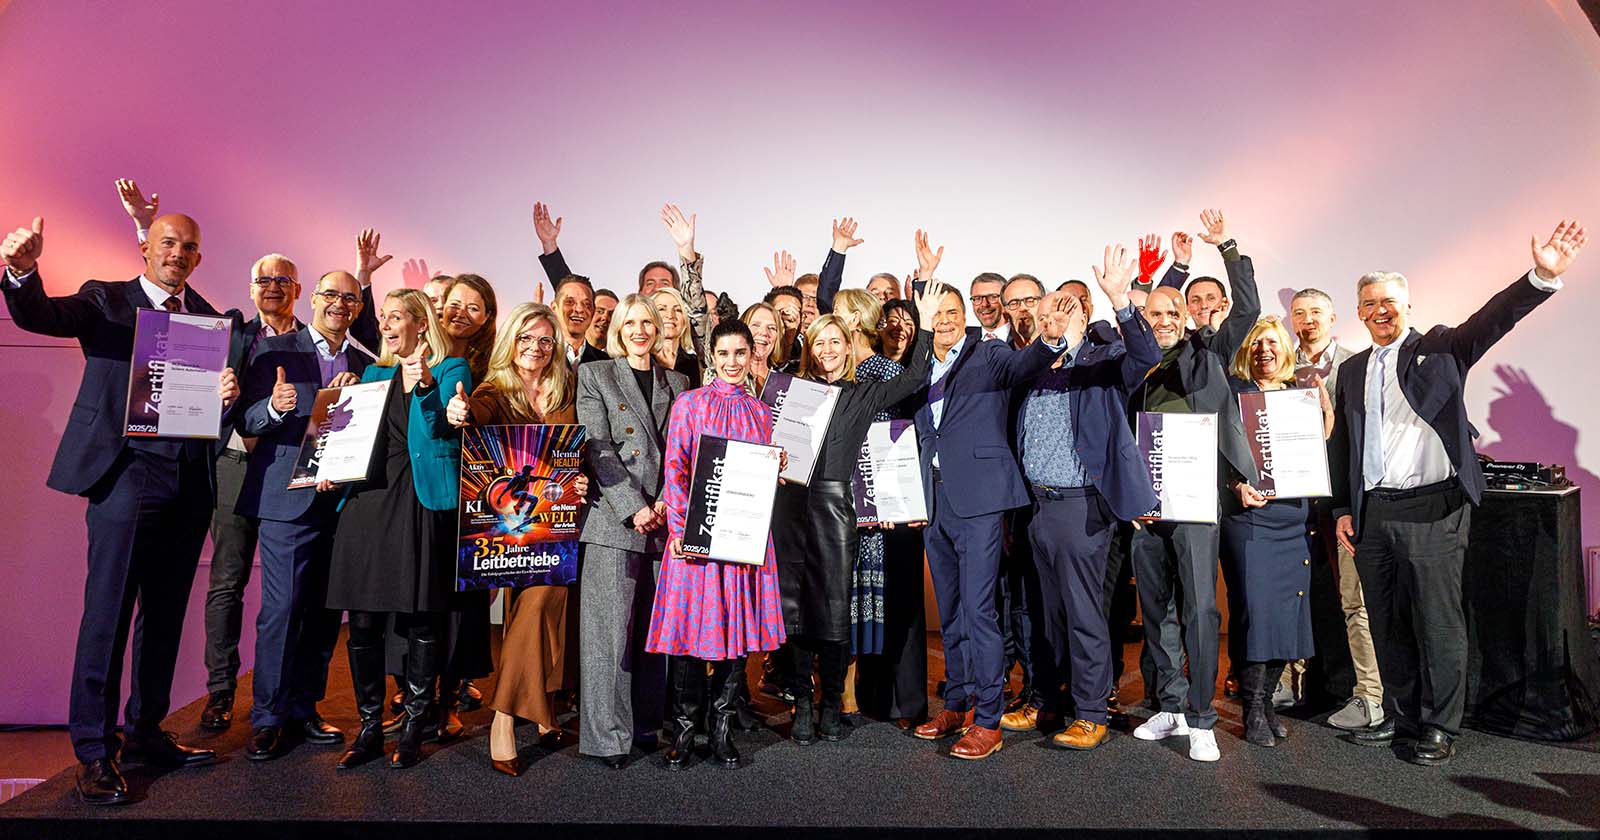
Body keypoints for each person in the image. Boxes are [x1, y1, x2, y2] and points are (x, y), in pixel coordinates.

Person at [1, 212, 239, 805]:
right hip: (126, 473)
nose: (178, 253)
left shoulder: (210, 320)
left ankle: (145, 733)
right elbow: (41, 315)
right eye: (168, 243)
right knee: (107, 615)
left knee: (163, 617)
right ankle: (92, 750)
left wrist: (226, 397)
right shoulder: (105, 300)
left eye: (189, 246)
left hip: (187, 479)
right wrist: (20, 271)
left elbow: (212, 413)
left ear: (198, 258)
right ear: (145, 246)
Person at [1330, 220, 1588, 766]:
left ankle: (1440, 727)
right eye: (1370, 302)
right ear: (1358, 311)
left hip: (1434, 509)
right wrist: (1342, 509)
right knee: (1386, 621)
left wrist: (1540, 277)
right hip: (1373, 514)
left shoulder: (1443, 347)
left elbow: (1492, 321)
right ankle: (1402, 717)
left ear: (1407, 305)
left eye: (1390, 301)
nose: (1380, 310)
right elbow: (1344, 446)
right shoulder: (1351, 370)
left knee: (1438, 621)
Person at [907, 230, 1073, 761]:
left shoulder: (990, 353)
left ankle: (987, 718)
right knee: (951, 610)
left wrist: (1050, 340)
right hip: (933, 500)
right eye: (939, 309)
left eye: (955, 309)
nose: (948, 317)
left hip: (980, 501)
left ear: (967, 316)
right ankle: (955, 702)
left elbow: (1027, 367)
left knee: (979, 611)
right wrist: (921, 282)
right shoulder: (917, 364)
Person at [1007, 244, 1160, 750]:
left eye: (1063, 309)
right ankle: (1049, 701)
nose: (1051, 318)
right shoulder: (1031, 369)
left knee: (1084, 614)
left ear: (1082, 315)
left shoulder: (1106, 360)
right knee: (1046, 616)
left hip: (1081, 508)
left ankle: (1091, 711)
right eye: (1045, 311)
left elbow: (1148, 355)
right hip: (1038, 508)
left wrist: (1121, 299)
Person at [773, 285, 934, 744]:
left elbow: (914, 378)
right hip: (791, 509)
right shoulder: (793, 392)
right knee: (797, 611)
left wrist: (919, 324)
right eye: (818, 342)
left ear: (849, 347)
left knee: (834, 610)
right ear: (810, 349)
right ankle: (803, 704)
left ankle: (830, 705)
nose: (826, 350)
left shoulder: (862, 394)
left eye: (835, 341)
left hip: (836, 509)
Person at [1131, 209, 1260, 762]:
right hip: (1145, 506)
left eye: (1171, 311)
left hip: (1197, 503)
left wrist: (1225, 247)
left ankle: (1203, 718)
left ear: (1185, 315)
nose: (1162, 320)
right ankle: (1172, 706)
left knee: (1202, 610)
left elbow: (1248, 306)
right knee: (1156, 610)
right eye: (1153, 312)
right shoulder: (1130, 361)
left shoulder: (1208, 352)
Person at [444, 302, 591, 776]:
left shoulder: (566, 389)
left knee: (545, 607)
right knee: (535, 605)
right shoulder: (494, 389)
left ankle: (539, 710)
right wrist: (459, 411)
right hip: (507, 530)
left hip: (558, 522)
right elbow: (472, 417)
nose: (536, 348)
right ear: (512, 341)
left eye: (545, 340)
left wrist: (582, 478)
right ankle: (504, 717)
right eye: (526, 338)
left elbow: (577, 451)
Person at [326, 288, 469, 770]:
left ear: (421, 323)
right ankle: (368, 726)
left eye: (395, 317)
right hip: (367, 504)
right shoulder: (371, 374)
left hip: (419, 501)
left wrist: (427, 385)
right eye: (383, 317)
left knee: (422, 616)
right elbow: (348, 438)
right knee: (363, 620)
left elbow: (443, 428)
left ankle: (414, 724)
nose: (384, 324)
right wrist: (327, 463)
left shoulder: (451, 370)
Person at [234, 270, 373, 760]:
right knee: (282, 608)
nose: (340, 304)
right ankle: (268, 716)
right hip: (285, 501)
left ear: (358, 308)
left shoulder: (364, 361)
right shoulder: (274, 352)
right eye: (331, 294)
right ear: (311, 298)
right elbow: (243, 419)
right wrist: (272, 408)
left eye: (350, 298)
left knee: (323, 612)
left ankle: (304, 707)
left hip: (340, 501)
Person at [647, 318, 789, 769]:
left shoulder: (762, 413)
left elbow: (760, 481)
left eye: (740, 354)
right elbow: (675, 470)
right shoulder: (689, 404)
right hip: (697, 541)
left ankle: (722, 730)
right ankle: (686, 732)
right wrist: (682, 534)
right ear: (711, 356)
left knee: (734, 635)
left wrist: (775, 465)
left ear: (752, 357)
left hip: (743, 543)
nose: (732, 362)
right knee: (691, 637)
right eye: (723, 353)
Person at [572, 294, 690, 769]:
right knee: (608, 637)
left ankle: (644, 726)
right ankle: (606, 739)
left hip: (662, 522)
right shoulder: (595, 375)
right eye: (631, 322)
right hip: (614, 519)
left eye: (648, 322)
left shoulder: (678, 380)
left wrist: (665, 501)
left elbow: (682, 449)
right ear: (618, 328)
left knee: (651, 634)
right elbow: (598, 448)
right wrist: (634, 507)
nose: (640, 330)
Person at [199, 252, 306, 732]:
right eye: (264, 279)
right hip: (236, 466)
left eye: (283, 280)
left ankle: (287, 695)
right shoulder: (232, 334)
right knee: (227, 580)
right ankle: (221, 691)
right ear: (249, 287)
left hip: (288, 473)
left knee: (287, 596)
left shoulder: (313, 342)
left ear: (298, 290)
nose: (273, 287)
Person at [1219, 316, 1332, 748]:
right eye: (1257, 343)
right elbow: (1218, 453)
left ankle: (1265, 703)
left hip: (1292, 519)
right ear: (1246, 352)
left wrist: (1325, 418)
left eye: (1273, 343)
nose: (1265, 350)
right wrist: (1236, 484)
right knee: (1256, 617)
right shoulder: (1234, 395)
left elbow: (1318, 453)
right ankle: (1251, 708)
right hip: (1250, 522)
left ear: (1286, 351)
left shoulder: (1299, 397)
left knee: (1286, 618)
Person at [1290, 287, 1384, 731]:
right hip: (1290, 499)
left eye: (1315, 312)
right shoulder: (1273, 361)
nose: (1307, 320)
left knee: (1353, 599)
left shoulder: (1355, 365)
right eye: (1299, 313)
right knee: (1291, 592)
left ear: (1332, 318)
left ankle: (1369, 693)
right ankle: (1291, 681)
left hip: (1341, 499)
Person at [553, 275, 609, 367]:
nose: (579, 309)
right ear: (554, 308)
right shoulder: (540, 354)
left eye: (586, 304)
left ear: (593, 311)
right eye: (570, 302)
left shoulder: (606, 363)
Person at [652, 286, 702, 382]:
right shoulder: (640, 360)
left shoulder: (696, 364)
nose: (670, 315)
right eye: (662, 309)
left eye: (678, 310)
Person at [741, 302, 783, 392]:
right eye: (756, 325)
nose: (764, 333)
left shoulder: (784, 385)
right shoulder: (726, 376)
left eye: (771, 328)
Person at [1002, 275, 1044, 346]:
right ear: (1005, 314)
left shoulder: (1062, 352)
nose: (1022, 308)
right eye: (1014, 303)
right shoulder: (999, 355)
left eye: (1030, 301)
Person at [968, 272, 1010, 342]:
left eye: (992, 297)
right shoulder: (963, 339)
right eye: (978, 298)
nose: (984, 304)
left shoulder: (1024, 338)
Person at [880, 299, 920, 366]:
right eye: (893, 321)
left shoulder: (921, 369)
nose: (900, 327)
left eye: (908, 324)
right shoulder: (865, 365)